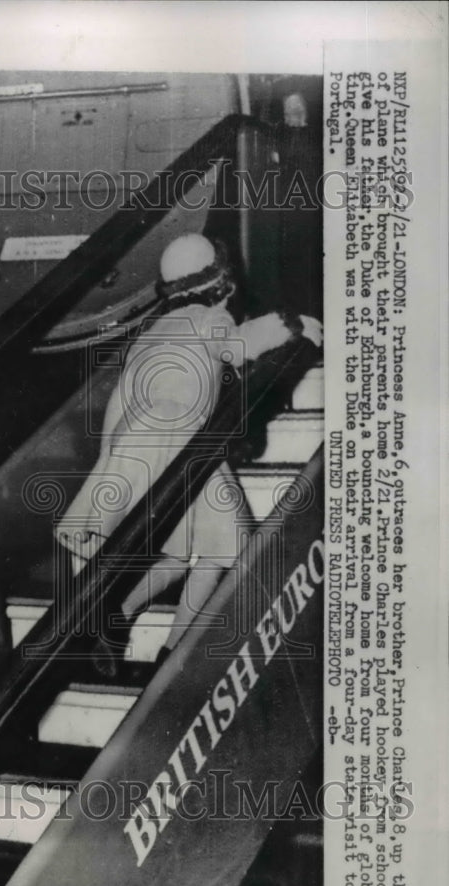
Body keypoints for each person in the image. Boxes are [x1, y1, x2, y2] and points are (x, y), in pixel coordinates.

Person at [55, 233, 321, 670]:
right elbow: (241, 347)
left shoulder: (148, 335)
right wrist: (293, 323)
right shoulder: (210, 320)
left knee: (179, 551)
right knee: (225, 545)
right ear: (222, 286)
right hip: (180, 442)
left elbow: (120, 409)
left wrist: (113, 467)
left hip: (136, 450)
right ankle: (174, 654)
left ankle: (115, 618)